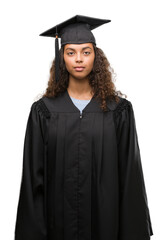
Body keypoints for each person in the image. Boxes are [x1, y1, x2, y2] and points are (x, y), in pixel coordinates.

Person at [14, 15, 154, 240]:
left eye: (86, 52)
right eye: (71, 52)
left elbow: (130, 180)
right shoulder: (44, 111)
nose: (79, 59)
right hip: (56, 227)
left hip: (107, 225)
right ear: (62, 59)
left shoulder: (119, 111)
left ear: (96, 57)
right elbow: (33, 182)